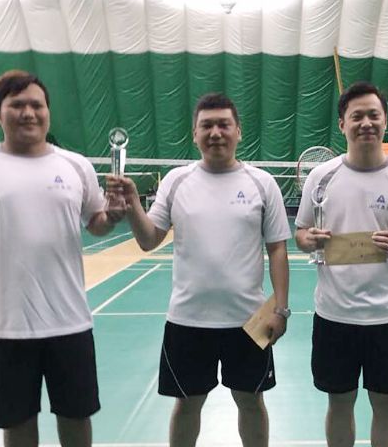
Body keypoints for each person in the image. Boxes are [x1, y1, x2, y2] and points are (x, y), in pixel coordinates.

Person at [0, 70, 124, 447]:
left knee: (76, 415)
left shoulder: (76, 166)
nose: (28, 113)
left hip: (69, 321)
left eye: (36, 105)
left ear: (48, 112)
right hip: (6, 327)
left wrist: (114, 216)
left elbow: (96, 222)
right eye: (17, 105)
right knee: (17, 422)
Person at [107, 93, 291, 447]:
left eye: (224, 124)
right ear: (194, 134)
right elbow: (149, 239)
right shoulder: (177, 181)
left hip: (248, 321)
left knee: (251, 401)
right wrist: (131, 204)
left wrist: (281, 309)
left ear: (239, 131)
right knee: (187, 405)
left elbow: (277, 249)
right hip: (188, 320)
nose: (215, 132)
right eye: (207, 125)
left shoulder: (262, 183)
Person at [295, 81, 388, 447]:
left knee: (386, 405)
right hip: (334, 317)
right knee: (339, 404)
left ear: (385, 121)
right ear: (343, 124)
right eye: (357, 117)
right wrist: (310, 240)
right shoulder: (321, 178)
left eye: (373, 115)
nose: (366, 123)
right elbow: (301, 233)